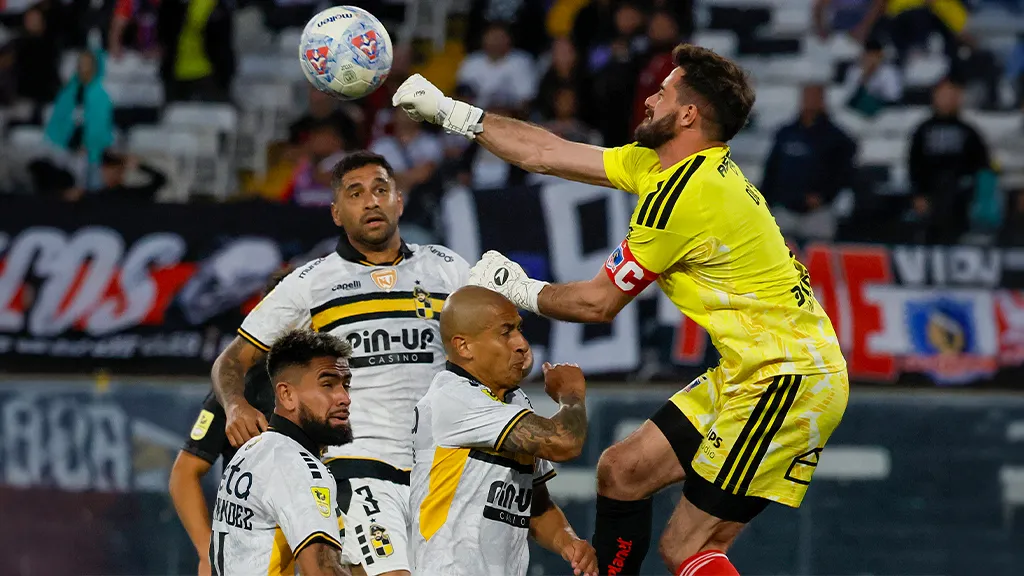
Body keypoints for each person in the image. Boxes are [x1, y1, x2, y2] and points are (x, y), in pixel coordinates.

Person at [393, 43, 849, 576]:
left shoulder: (686, 196)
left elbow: (598, 302)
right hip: (748, 370)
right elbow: (546, 152)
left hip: (789, 377)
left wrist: (518, 288)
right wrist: (452, 113)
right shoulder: (663, 166)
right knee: (622, 471)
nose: (649, 98)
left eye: (663, 91)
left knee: (687, 548)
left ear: (688, 114)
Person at [211, 151, 470, 576]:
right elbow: (232, 359)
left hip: (441, 469)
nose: (371, 201)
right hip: (359, 467)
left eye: (380, 189)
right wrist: (237, 405)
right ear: (336, 212)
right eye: (356, 193)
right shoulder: (310, 282)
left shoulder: (446, 268)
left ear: (399, 201)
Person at [411, 286, 596, 576]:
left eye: (519, 329)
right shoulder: (454, 399)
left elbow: (535, 503)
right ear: (464, 347)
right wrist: (571, 395)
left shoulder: (512, 401)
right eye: (505, 332)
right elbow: (565, 443)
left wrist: (567, 542)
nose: (521, 343)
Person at [170, 267, 291, 576]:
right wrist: (207, 551)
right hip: (252, 548)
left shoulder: (338, 385)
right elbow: (184, 472)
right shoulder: (240, 388)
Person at [210, 329, 353, 576]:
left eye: (346, 384)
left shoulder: (252, 451)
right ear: (286, 395)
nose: (344, 397)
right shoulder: (298, 467)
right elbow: (322, 570)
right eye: (327, 384)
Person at [760, 84, 858, 241]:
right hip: (784, 208)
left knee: (817, 254)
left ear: (823, 101)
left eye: (815, 97)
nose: (810, 102)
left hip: (818, 212)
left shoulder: (837, 137)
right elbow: (771, 169)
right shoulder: (786, 133)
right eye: (807, 97)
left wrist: (825, 196)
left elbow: (844, 173)